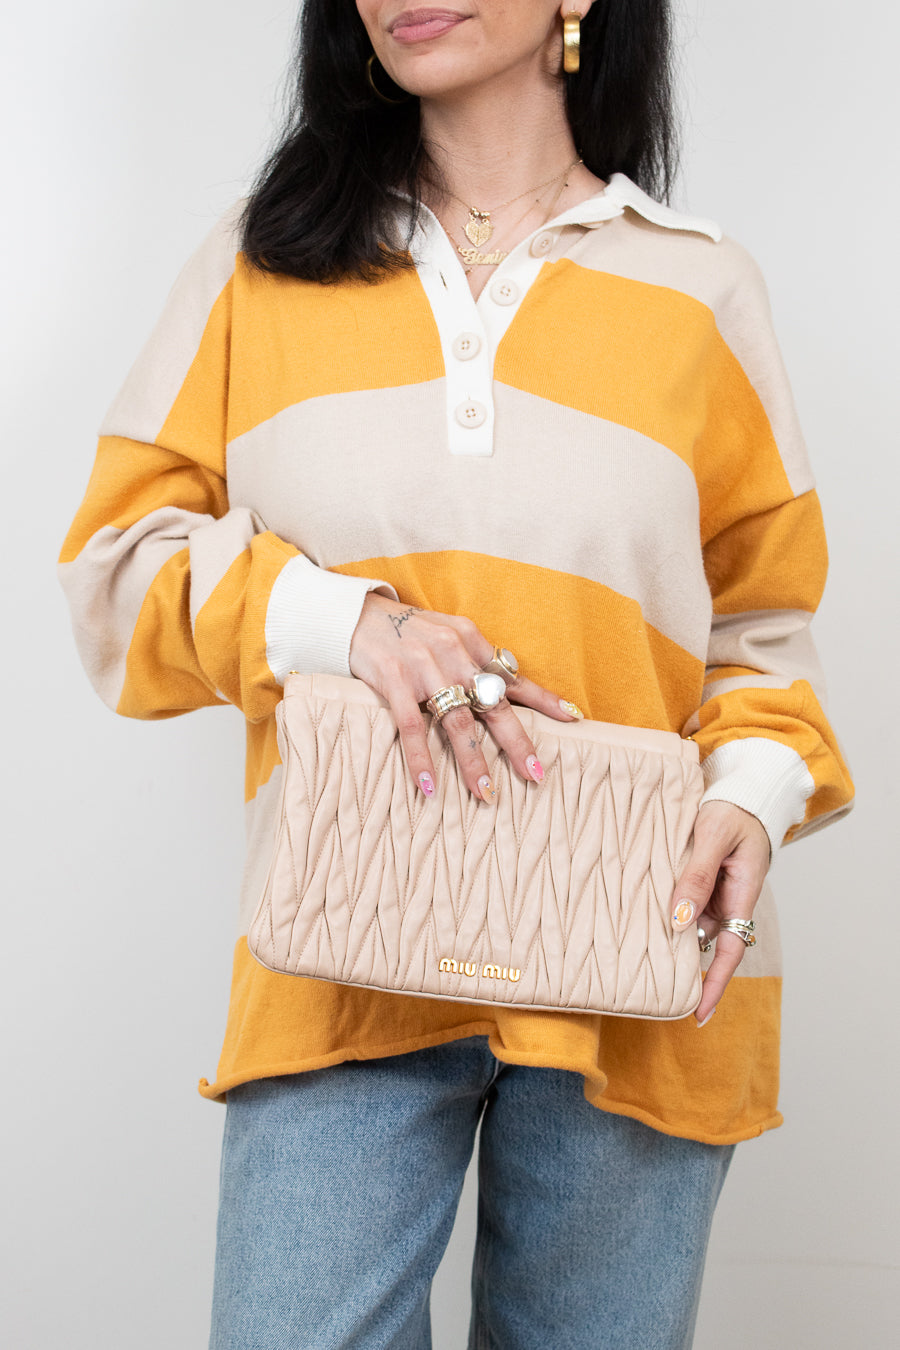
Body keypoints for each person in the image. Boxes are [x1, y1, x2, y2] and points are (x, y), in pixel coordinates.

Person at [59, 1, 855, 1346]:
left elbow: (765, 637)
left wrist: (758, 792)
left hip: (638, 950)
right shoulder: (264, 266)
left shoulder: (702, 288)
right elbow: (115, 566)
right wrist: (341, 620)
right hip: (343, 953)